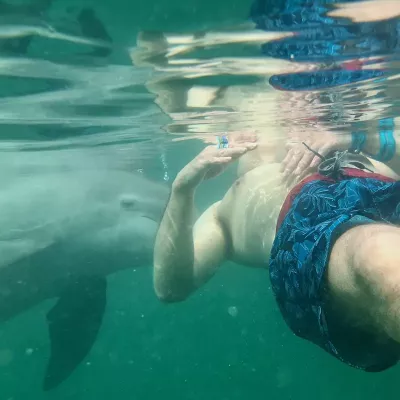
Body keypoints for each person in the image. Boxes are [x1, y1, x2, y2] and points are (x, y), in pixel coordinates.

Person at [153, 126, 400, 372]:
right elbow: (172, 287)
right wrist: (182, 190)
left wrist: (355, 136)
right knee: (376, 256)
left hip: (387, 194)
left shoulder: (346, 126)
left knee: (378, 255)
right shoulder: (222, 214)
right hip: (308, 229)